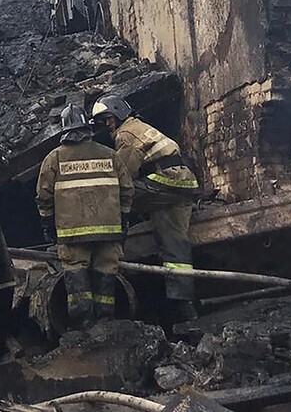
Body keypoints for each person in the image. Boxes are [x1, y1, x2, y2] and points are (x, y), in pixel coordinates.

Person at [90, 94, 200, 322]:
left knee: (117, 195)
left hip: (165, 181)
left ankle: (111, 243)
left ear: (119, 112)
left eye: (108, 118)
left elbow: (123, 175)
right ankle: (183, 305)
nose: (107, 124)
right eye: (104, 121)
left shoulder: (126, 134)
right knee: (175, 244)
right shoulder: (139, 127)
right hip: (183, 183)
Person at [37, 103, 133, 326]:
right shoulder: (110, 155)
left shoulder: (54, 159)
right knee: (106, 275)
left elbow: (43, 196)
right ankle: (107, 323)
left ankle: (83, 327)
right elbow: (127, 190)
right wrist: (124, 218)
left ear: (64, 130)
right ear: (87, 128)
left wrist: (47, 224)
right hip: (109, 232)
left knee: (76, 275)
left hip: (72, 235)